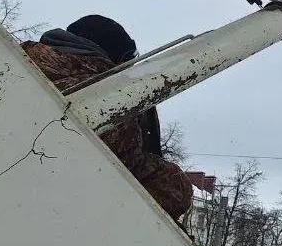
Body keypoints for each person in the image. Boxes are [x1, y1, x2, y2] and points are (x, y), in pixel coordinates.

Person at [21, 15, 192, 220]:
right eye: (129, 62)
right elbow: (127, 171)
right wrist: (178, 183)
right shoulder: (106, 101)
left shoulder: (17, 63)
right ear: (115, 59)